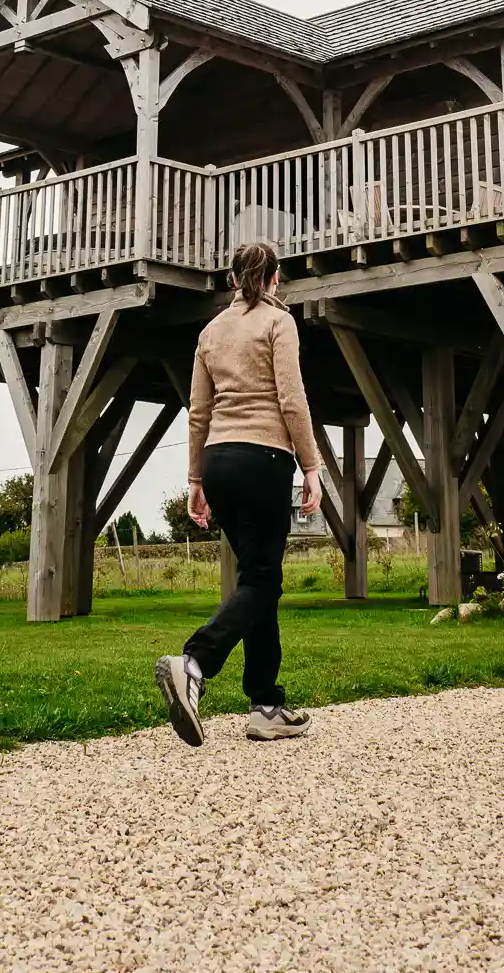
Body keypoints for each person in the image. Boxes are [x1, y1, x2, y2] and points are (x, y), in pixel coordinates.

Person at [155, 240, 322, 746]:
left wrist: (195, 480)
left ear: (231, 280)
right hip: (263, 457)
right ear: (274, 279)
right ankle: (195, 662)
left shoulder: (210, 331)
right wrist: (311, 466)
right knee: (264, 579)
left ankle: (266, 704)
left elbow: (198, 412)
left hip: (219, 461)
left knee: (258, 580)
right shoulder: (278, 322)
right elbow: (291, 398)